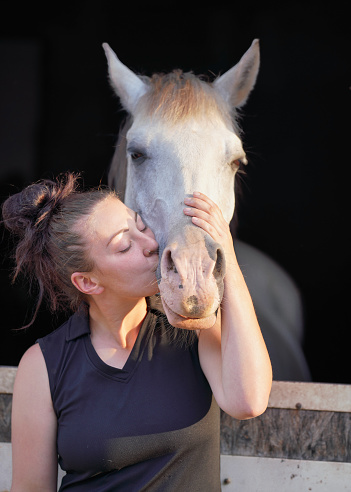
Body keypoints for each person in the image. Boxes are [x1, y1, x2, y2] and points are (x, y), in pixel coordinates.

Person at [2, 172, 272, 491]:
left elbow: (248, 401)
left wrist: (225, 254)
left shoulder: (193, 329)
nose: (151, 244)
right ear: (88, 282)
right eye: (125, 245)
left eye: (142, 226)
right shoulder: (44, 364)